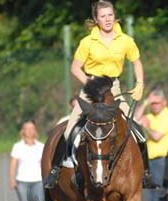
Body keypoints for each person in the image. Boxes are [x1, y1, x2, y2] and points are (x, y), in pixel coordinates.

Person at [43, 0, 155, 189]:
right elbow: (75, 68)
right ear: (96, 19)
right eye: (103, 16)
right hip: (91, 87)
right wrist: (90, 84)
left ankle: (146, 173)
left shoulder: (126, 40)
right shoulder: (87, 42)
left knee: (136, 130)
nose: (108, 19)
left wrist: (140, 83)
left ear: (114, 15)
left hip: (114, 87)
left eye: (110, 15)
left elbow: (136, 62)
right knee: (70, 128)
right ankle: (55, 170)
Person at [9, 120, 44, 201]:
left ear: (35, 131)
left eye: (32, 128)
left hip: (38, 181)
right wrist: (12, 179)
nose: (29, 131)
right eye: (27, 128)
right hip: (22, 182)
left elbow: (45, 164)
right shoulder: (17, 146)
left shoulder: (41, 146)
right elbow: (13, 164)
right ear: (23, 131)